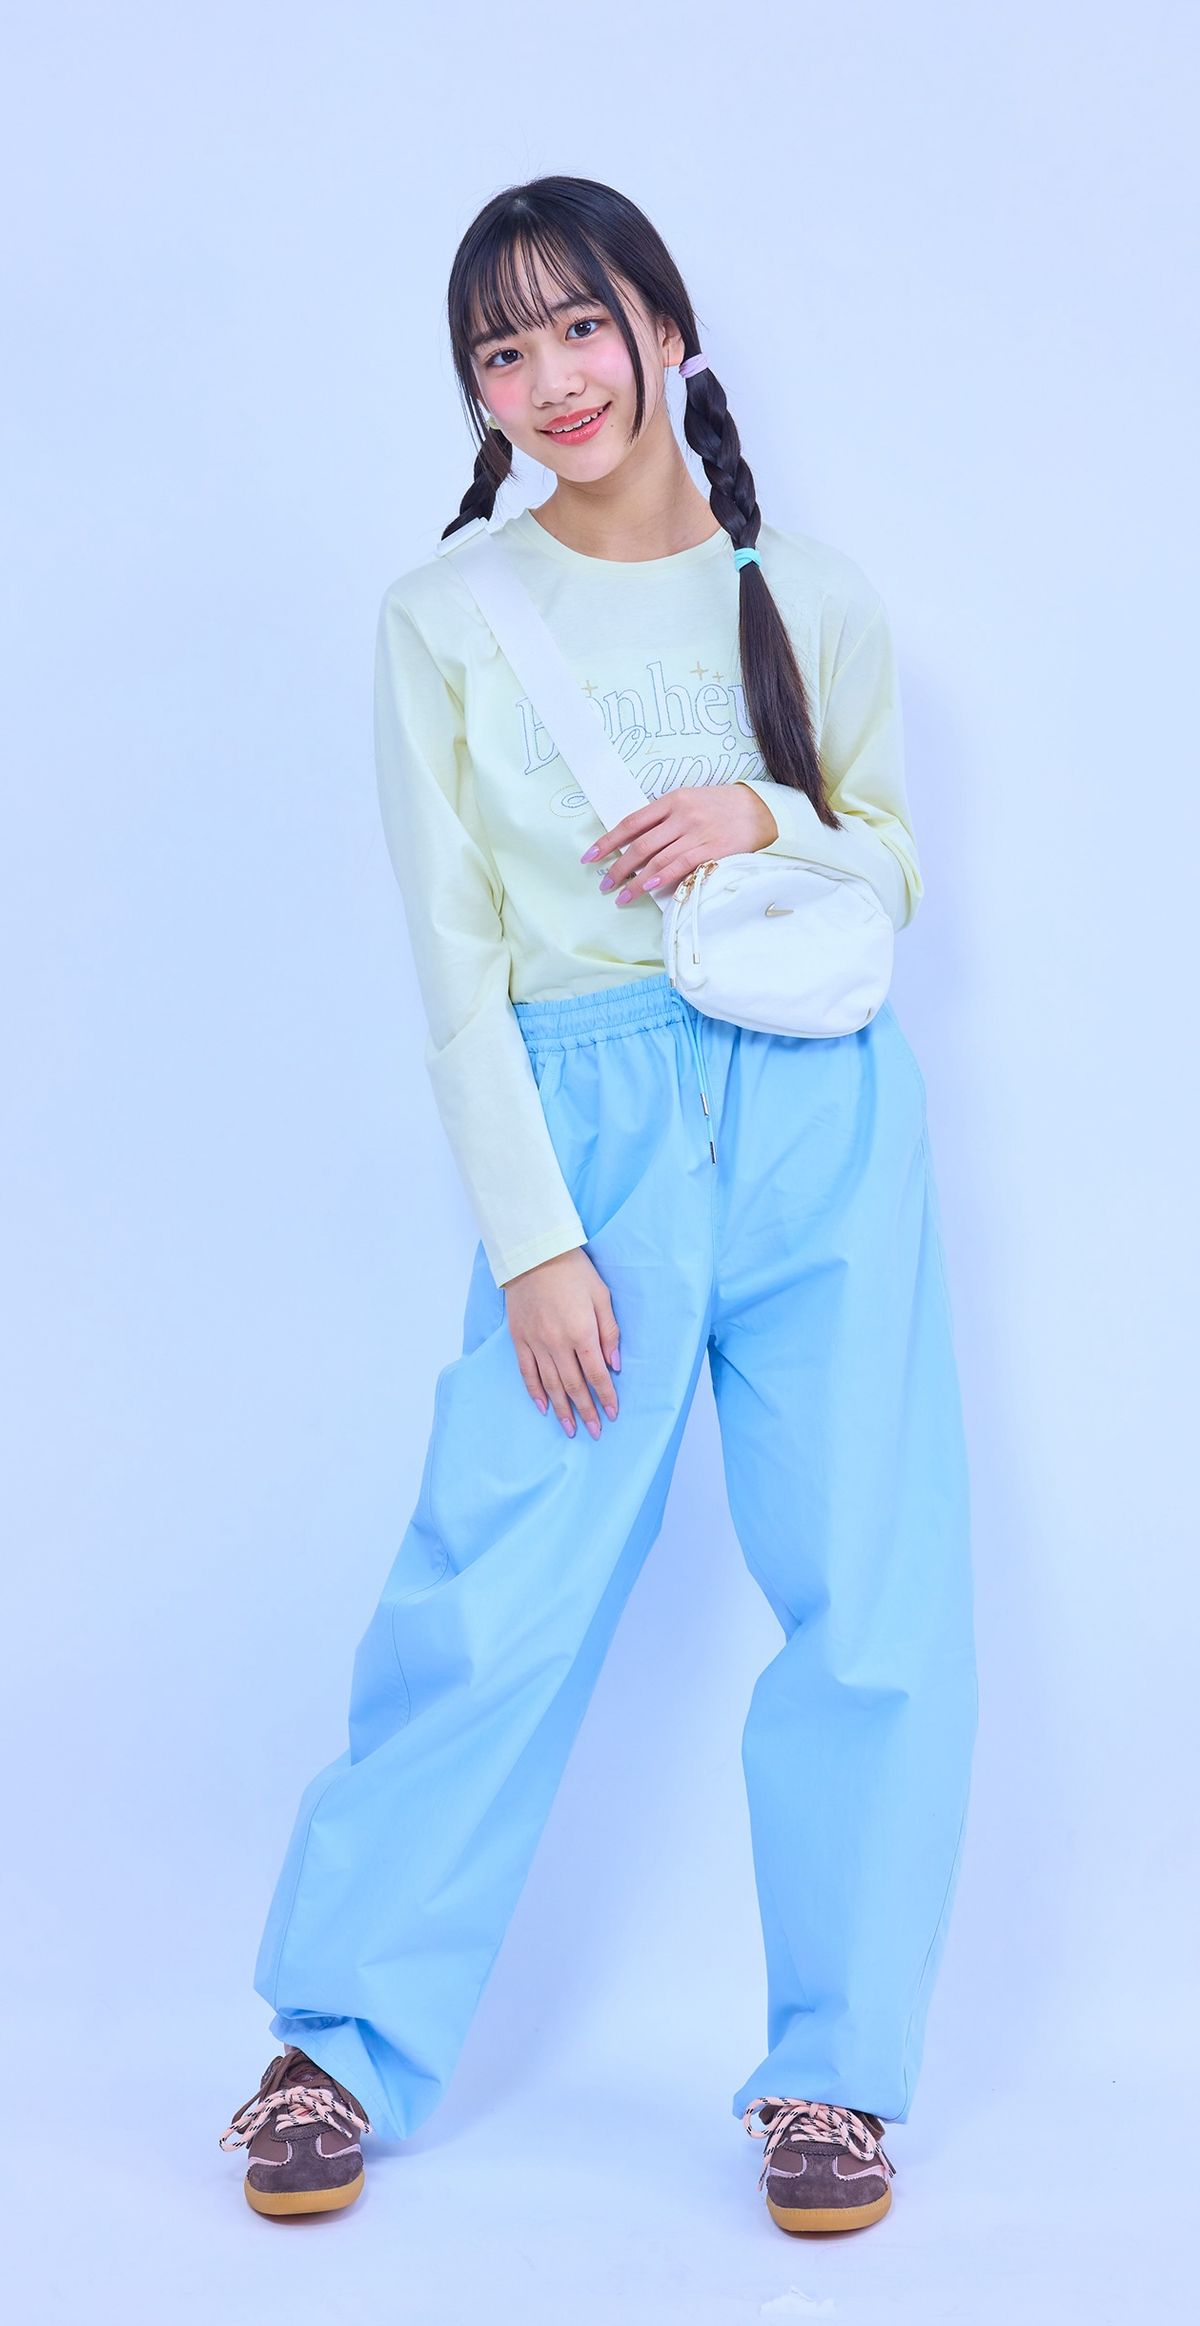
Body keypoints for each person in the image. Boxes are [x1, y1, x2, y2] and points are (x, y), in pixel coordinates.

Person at [219, 174, 978, 2236]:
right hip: (587, 1127)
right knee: (492, 1588)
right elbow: (452, 955)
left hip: (826, 1115)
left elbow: (895, 861)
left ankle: (834, 2078)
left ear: (666, 326)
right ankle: (335, 2038)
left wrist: (763, 813)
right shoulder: (444, 615)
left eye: (580, 325)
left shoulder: (808, 594)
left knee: (873, 1596)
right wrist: (536, 1236)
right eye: (502, 347)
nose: (550, 376)